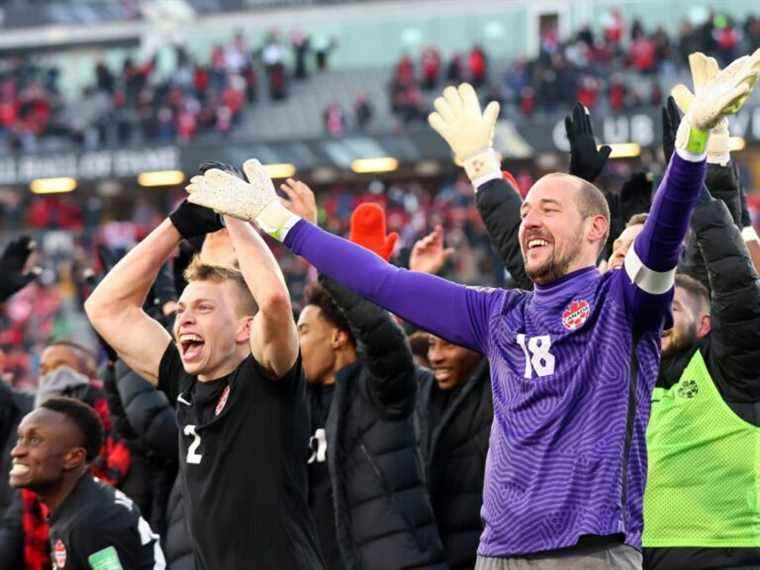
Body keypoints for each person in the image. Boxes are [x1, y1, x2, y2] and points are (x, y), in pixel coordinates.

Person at [185, 52, 760, 569]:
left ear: (596, 228)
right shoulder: (498, 315)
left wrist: (692, 147)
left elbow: (662, 234)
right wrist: (283, 223)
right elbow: (381, 280)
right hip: (498, 555)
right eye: (527, 208)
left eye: (549, 208)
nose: (530, 218)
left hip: (591, 553)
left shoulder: (625, 302)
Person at [84, 163, 324, 570]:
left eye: (204, 308)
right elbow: (104, 308)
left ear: (246, 329)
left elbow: (275, 303)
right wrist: (177, 224)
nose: (185, 319)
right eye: (182, 309)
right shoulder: (184, 379)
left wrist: (234, 213)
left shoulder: (267, 374)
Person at [280, 180, 446, 569]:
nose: (294, 341)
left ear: (338, 337)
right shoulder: (291, 402)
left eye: (303, 331)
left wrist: (310, 241)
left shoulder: (383, 388)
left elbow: (376, 331)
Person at [410, 226, 492, 570]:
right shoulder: (424, 394)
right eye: (430, 344)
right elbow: (386, 358)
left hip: (484, 555)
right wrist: (417, 283)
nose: (437, 356)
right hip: (435, 553)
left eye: (448, 343)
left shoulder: (497, 386)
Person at [9, 396, 164, 569]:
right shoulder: (78, 503)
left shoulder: (93, 522)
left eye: (34, 440)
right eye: (20, 438)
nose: (16, 451)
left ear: (73, 458)